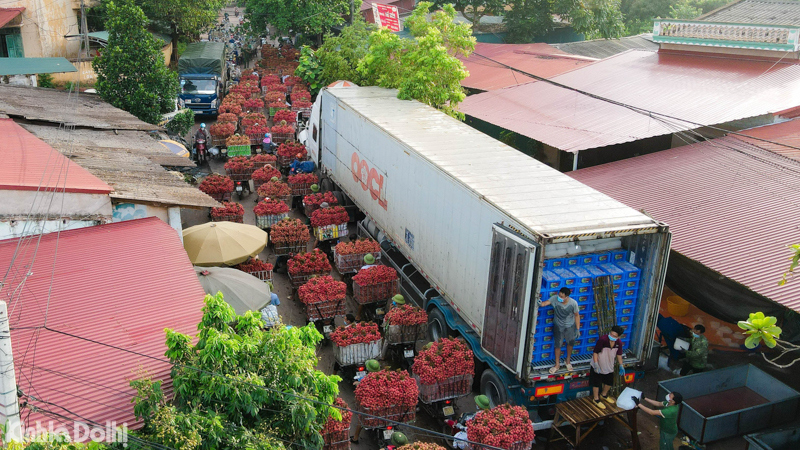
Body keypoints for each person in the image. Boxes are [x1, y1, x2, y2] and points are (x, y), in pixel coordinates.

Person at [539, 287, 580, 373]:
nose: (559, 298)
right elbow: (545, 303)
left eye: (562, 296)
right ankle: (557, 364)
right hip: (558, 326)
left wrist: (577, 329)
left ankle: (568, 361)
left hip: (570, 327)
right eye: (559, 295)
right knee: (558, 345)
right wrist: (539, 303)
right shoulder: (554, 299)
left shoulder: (573, 303)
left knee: (570, 343)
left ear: (567, 297)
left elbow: (576, 315)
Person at [590, 325, 626, 410]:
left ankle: (604, 395)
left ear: (618, 337)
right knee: (596, 383)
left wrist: (621, 365)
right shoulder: (603, 340)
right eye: (611, 334)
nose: (612, 337)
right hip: (598, 365)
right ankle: (596, 399)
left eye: (614, 336)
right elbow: (595, 352)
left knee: (609, 382)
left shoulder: (619, 343)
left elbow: (619, 355)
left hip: (609, 365)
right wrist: (595, 364)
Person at [351, 359, 382, 444]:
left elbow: (362, 386)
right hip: (382, 406)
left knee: (362, 417)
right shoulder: (383, 378)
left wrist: (357, 384)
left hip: (372, 405)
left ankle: (355, 438)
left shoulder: (367, 379)